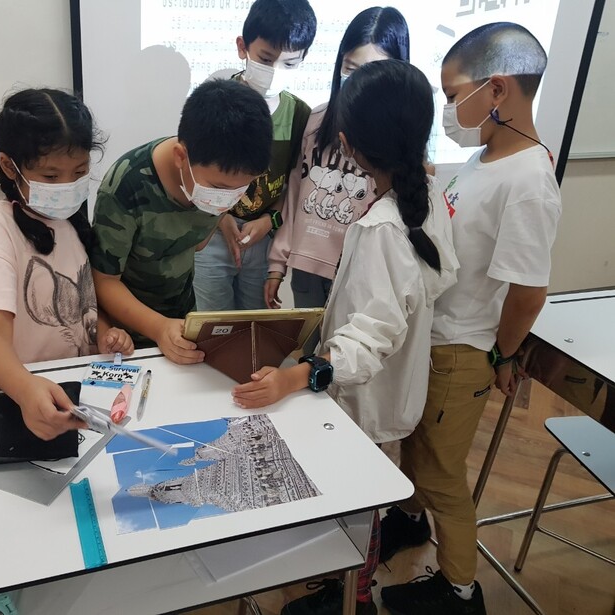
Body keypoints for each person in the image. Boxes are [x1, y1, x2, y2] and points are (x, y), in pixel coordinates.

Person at [232, 59, 459, 615]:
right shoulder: (425, 196)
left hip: (366, 398)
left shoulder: (384, 226)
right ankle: (345, 587)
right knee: (363, 501)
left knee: (358, 509)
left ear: (351, 144)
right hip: (386, 393)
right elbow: (426, 285)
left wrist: (297, 376)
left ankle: (349, 597)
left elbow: (371, 335)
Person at [379, 23, 562, 615]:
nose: (450, 110)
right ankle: (409, 521)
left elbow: (528, 292)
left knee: (442, 475)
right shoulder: (484, 158)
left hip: (462, 349)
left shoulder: (529, 181)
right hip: (433, 337)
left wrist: (502, 356)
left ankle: (460, 589)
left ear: (497, 90)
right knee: (416, 444)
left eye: (454, 95)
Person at [0, 88, 134, 444]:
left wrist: (104, 332)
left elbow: (82, 303)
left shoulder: (68, 221)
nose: (67, 187)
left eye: (79, 172)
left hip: (80, 388)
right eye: (52, 177)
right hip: (27, 393)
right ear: (10, 166)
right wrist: (26, 389)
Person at [91, 79, 273, 364]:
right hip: (125, 339)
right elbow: (103, 282)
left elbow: (197, 244)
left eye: (240, 189)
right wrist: (159, 328)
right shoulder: (126, 186)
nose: (227, 199)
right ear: (180, 157)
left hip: (182, 320)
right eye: (220, 188)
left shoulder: (216, 180)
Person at [266, 6, 409, 354]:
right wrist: (276, 265)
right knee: (307, 360)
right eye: (351, 68)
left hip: (357, 273)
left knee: (345, 362)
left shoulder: (398, 140)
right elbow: (296, 196)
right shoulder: (317, 120)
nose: (358, 81)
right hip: (307, 267)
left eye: (372, 70)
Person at [192, 0, 315, 311]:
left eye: (289, 64)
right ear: (242, 47)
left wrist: (268, 221)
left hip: (262, 236)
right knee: (213, 322)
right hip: (211, 229)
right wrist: (221, 219)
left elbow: (293, 184)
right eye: (266, 59)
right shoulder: (217, 101)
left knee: (255, 322)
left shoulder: (300, 115)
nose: (275, 72)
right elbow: (194, 170)